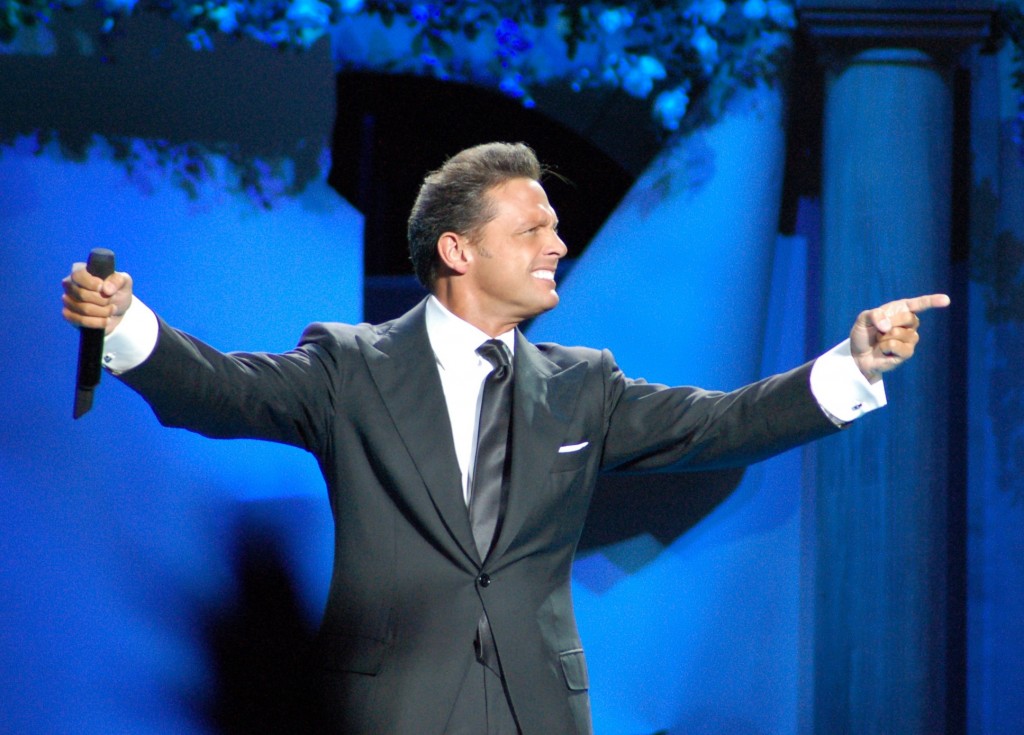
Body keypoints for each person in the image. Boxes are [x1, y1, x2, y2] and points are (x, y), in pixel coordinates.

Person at [61, 142, 949, 734]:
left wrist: (853, 363)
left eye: (554, 227)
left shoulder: (583, 384)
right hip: (388, 709)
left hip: (537, 709)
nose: (557, 243)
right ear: (457, 251)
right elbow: (221, 391)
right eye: (533, 229)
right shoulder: (349, 366)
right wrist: (127, 323)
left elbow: (720, 423)